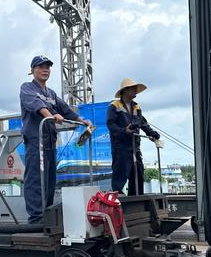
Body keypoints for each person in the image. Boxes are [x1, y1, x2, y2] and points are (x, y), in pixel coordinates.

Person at [20, 55, 91, 224]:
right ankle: (36, 218)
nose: (45, 70)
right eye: (40, 67)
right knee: (36, 179)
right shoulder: (27, 88)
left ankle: (47, 215)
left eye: (47, 67)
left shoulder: (51, 93)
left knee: (50, 180)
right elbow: (36, 104)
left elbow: (64, 109)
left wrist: (81, 120)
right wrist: (51, 116)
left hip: (50, 140)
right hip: (36, 140)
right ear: (32, 70)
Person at [107, 78, 160, 196]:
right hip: (120, 146)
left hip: (135, 146)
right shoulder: (114, 106)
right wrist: (124, 131)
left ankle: (136, 197)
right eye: (133, 88)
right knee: (120, 173)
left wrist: (153, 134)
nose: (136, 91)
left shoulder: (136, 107)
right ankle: (117, 198)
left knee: (138, 172)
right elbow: (111, 125)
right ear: (125, 90)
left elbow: (142, 123)